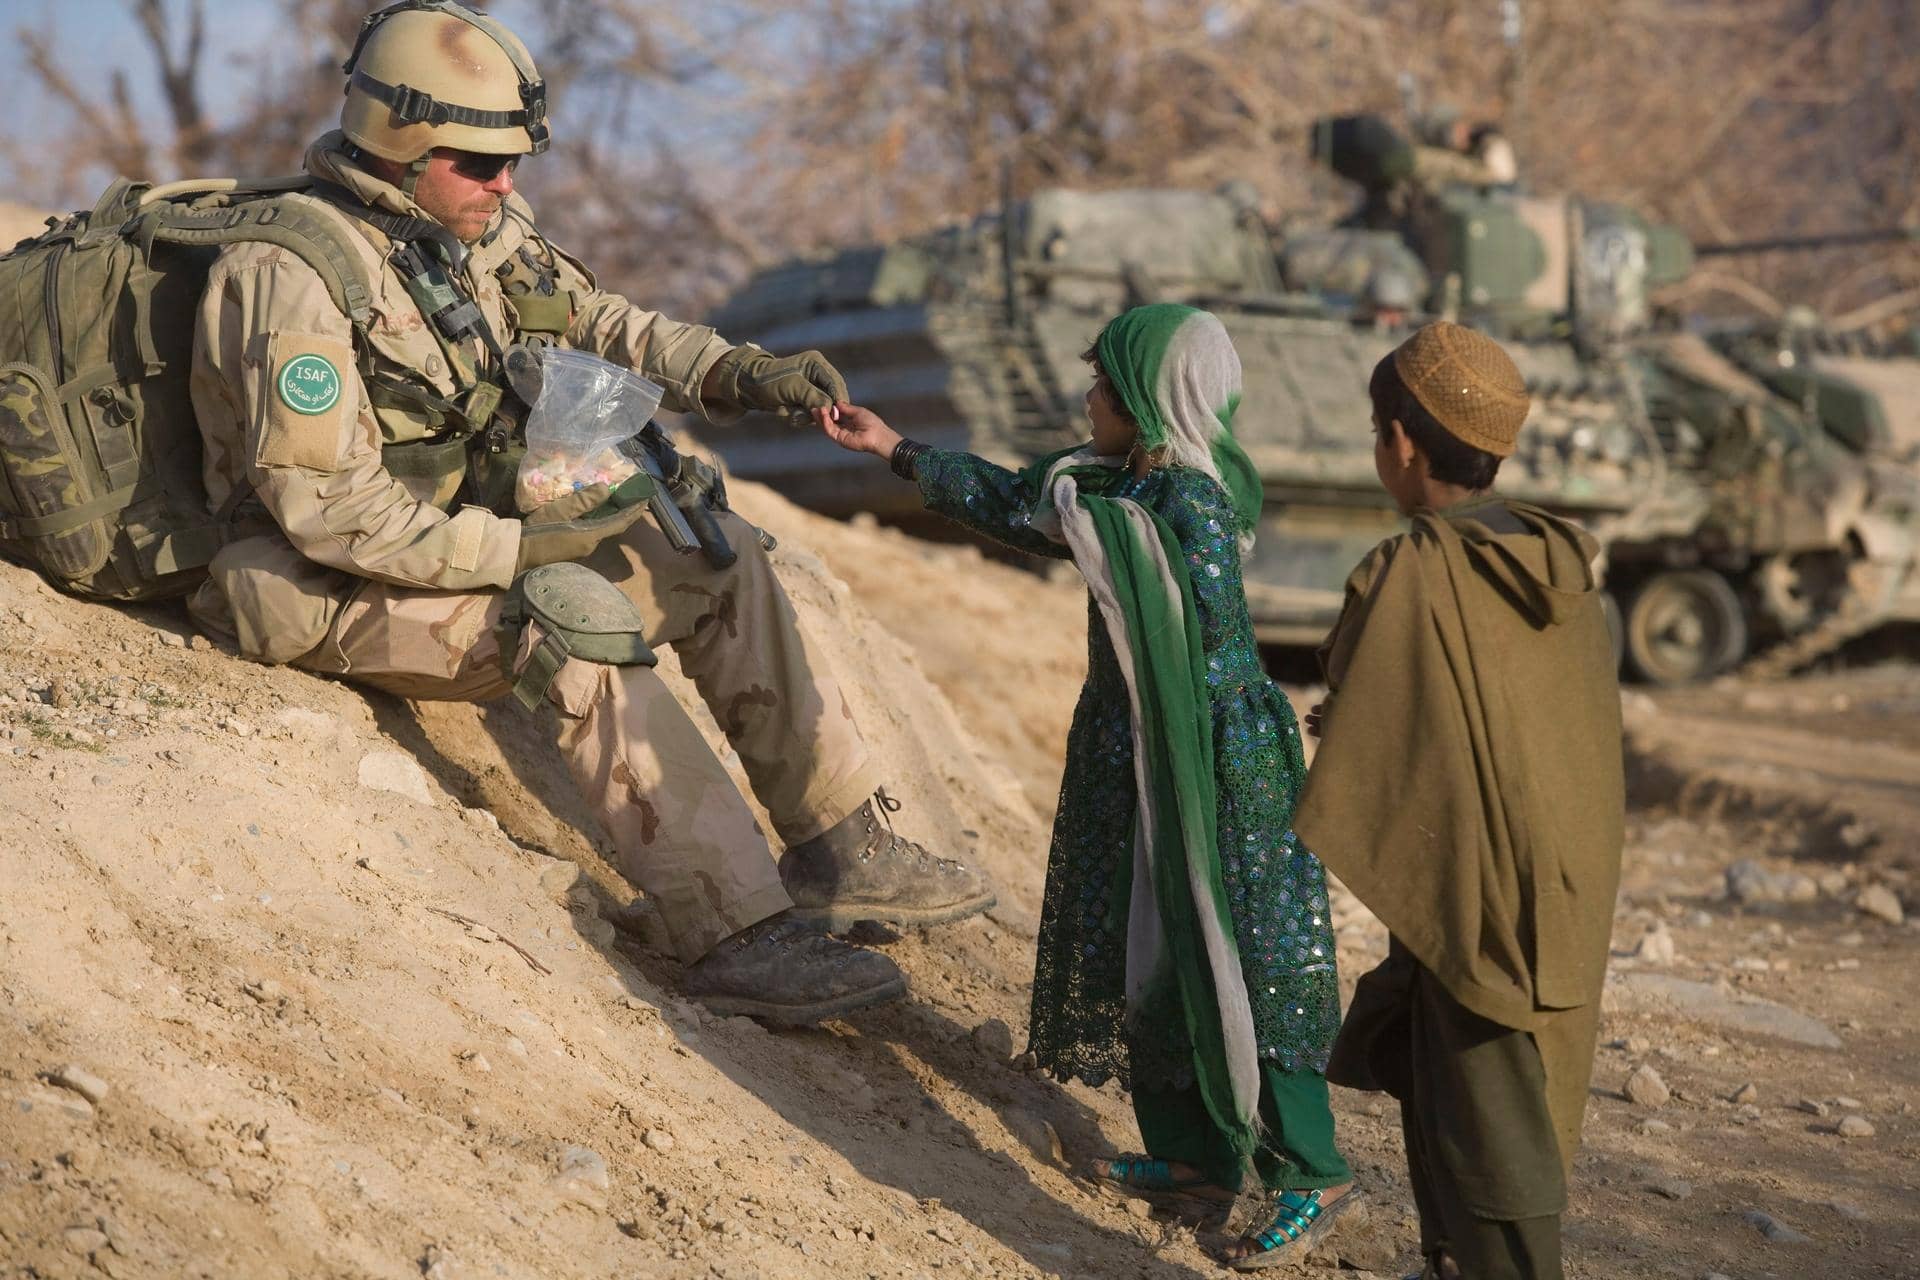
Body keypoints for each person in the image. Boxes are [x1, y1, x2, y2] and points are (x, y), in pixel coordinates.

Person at [185, 0, 993, 1027]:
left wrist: (736, 371)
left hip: (446, 541)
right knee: (572, 622)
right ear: (401, 148)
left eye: (513, 162)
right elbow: (331, 513)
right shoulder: (290, 278)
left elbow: (602, 320)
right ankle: (738, 929)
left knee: (719, 552)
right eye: (481, 164)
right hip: (310, 583)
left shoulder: (474, 230)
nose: (505, 183)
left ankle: (844, 846)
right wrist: (523, 546)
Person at [815, 304, 1354, 1270]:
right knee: (1148, 940)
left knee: (1248, 952)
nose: (1087, 397)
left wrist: (1087, 518)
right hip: (1135, 740)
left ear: (1146, 401)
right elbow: (1022, 506)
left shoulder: (1192, 501)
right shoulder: (1108, 488)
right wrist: (895, 449)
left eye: (1103, 384)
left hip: (1214, 754)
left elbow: (1176, 613)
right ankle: (1196, 1159)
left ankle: (1308, 1169)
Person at [1293, 322, 1624, 1280]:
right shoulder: (1558, 561)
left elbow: (1367, 709)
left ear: (1401, 440)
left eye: (1374, 431)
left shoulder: (1409, 571)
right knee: (1488, 1096)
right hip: (1560, 878)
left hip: (1470, 895)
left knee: (1487, 1135)